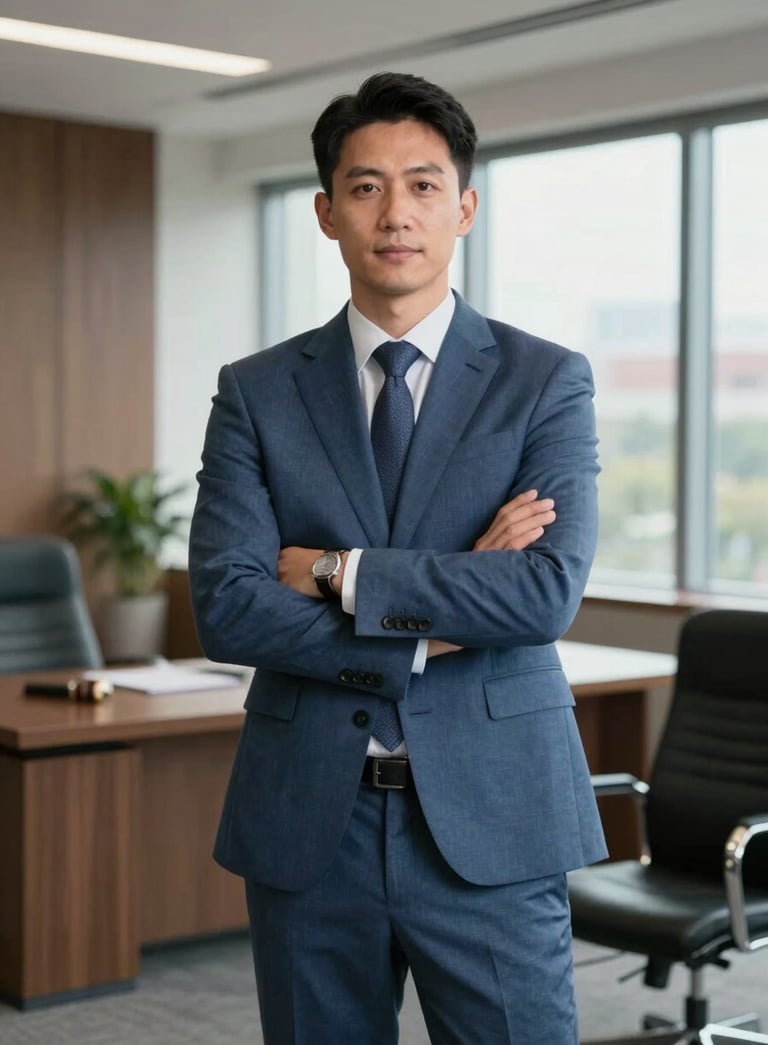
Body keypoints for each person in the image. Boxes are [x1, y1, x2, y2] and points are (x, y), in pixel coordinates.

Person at [189, 71, 606, 1045]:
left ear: (463, 206)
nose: (396, 212)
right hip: (309, 825)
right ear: (328, 213)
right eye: (367, 186)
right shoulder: (257, 392)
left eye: (423, 185)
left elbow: (543, 593)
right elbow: (229, 606)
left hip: (495, 820)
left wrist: (342, 573)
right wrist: (435, 628)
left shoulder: (545, 379)